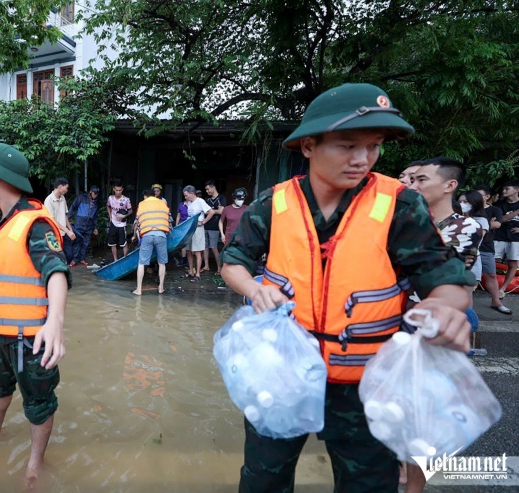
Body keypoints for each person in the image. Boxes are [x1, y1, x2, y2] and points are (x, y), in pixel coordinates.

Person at [221, 83, 474, 493]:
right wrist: (253, 289)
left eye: (373, 146)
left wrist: (446, 306)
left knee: (368, 483)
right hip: (283, 373)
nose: (362, 159)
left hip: (366, 382)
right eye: (347, 145)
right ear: (308, 145)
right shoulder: (274, 203)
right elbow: (233, 262)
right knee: (262, 479)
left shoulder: (399, 203)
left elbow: (444, 277)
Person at [0, 143, 70, 487]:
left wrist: (56, 322)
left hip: (32, 337)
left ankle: (35, 463)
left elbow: (57, 273)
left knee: (39, 401)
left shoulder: (36, 225)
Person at [475, 184, 510, 314]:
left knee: (491, 274)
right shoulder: (469, 210)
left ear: (487, 196)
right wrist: (487, 224)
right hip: (468, 248)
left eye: (480, 195)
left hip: (486, 247)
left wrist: (484, 224)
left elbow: (497, 224)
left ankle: (496, 301)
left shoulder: (495, 209)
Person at [133, 189, 171, 295]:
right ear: (154, 195)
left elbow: (137, 221)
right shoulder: (162, 203)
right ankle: (161, 288)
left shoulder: (142, 204)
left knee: (142, 263)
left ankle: (139, 290)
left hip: (147, 234)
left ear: (145, 196)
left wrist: (134, 235)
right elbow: (169, 219)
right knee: (162, 263)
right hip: (162, 235)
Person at [183, 185, 214, 282]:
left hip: (197, 228)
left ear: (192, 193)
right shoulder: (189, 202)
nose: (185, 197)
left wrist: (204, 221)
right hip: (189, 229)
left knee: (197, 251)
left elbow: (211, 212)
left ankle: (198, 274)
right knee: (188, 251)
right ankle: (191, 271)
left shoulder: (200, 201)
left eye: (186, 195)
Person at [493, 180, 519, 298]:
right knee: (490, 260)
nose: (504, 191)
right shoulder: (499, 204)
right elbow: (502, 219)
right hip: (499, 235)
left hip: (515, 238)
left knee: (513, 263)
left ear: (516, 190)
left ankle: (502, 289)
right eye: (503, 189)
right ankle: (486, 284)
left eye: (507, 189)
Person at [45, 177, 78, 266]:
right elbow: (52, 220)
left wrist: (70, 230)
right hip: (54, 234)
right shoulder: (48, 201)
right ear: (60, 187)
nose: (66, 190)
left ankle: (63, 272)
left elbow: (64, 215)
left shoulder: (62, 198)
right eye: (66, 188)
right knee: (57, 256)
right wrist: (67, 231)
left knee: (69, 255)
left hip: (64, 232)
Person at [67, 185, 100, 266]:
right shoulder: (81, 198)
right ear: (90, 192)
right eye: (94, 193)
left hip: (89, 225)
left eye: (97, 194)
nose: (95, 195)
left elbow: (95, 216)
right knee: (77, 242)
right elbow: (73, 207)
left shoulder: (96, 202)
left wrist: (95, 227)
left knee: (86, 243)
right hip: (79, 223)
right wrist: (67, 219)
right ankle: (74, 260)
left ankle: (82, 259)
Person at [202, 180, 226, 274]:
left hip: (215, 227)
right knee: (205, 247)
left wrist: (211, 211)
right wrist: (215, 210)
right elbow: (204, 211)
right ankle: (206, 266)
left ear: (213, 187)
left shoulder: (222, 198)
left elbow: (221, 211)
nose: (207, 191)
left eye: (208, 189)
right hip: (205, 225)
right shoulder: (207, 199)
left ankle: (219, 268)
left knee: (214, 247)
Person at [106, 183, 132, 262]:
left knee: (123, 243)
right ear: (114, 189)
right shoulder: (110, 198)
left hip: (122, 224)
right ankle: (115, 259)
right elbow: (108, 206)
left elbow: (130, 210)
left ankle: (125, 259)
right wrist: (110, 216)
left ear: (122, 190)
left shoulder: (126, 199)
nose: (118, 192)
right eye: (116, 190)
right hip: (113, 222)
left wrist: (125, 216)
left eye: (120, 190)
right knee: (112, 243)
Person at [174, 195, 190, 267]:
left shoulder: (193, 204)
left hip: (190, 225)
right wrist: (176, 226)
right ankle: (183, 259)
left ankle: (188, 261)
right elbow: (178, 215)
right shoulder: (181, 204)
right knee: (183, 243)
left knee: (189, 243)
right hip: (182, 226)